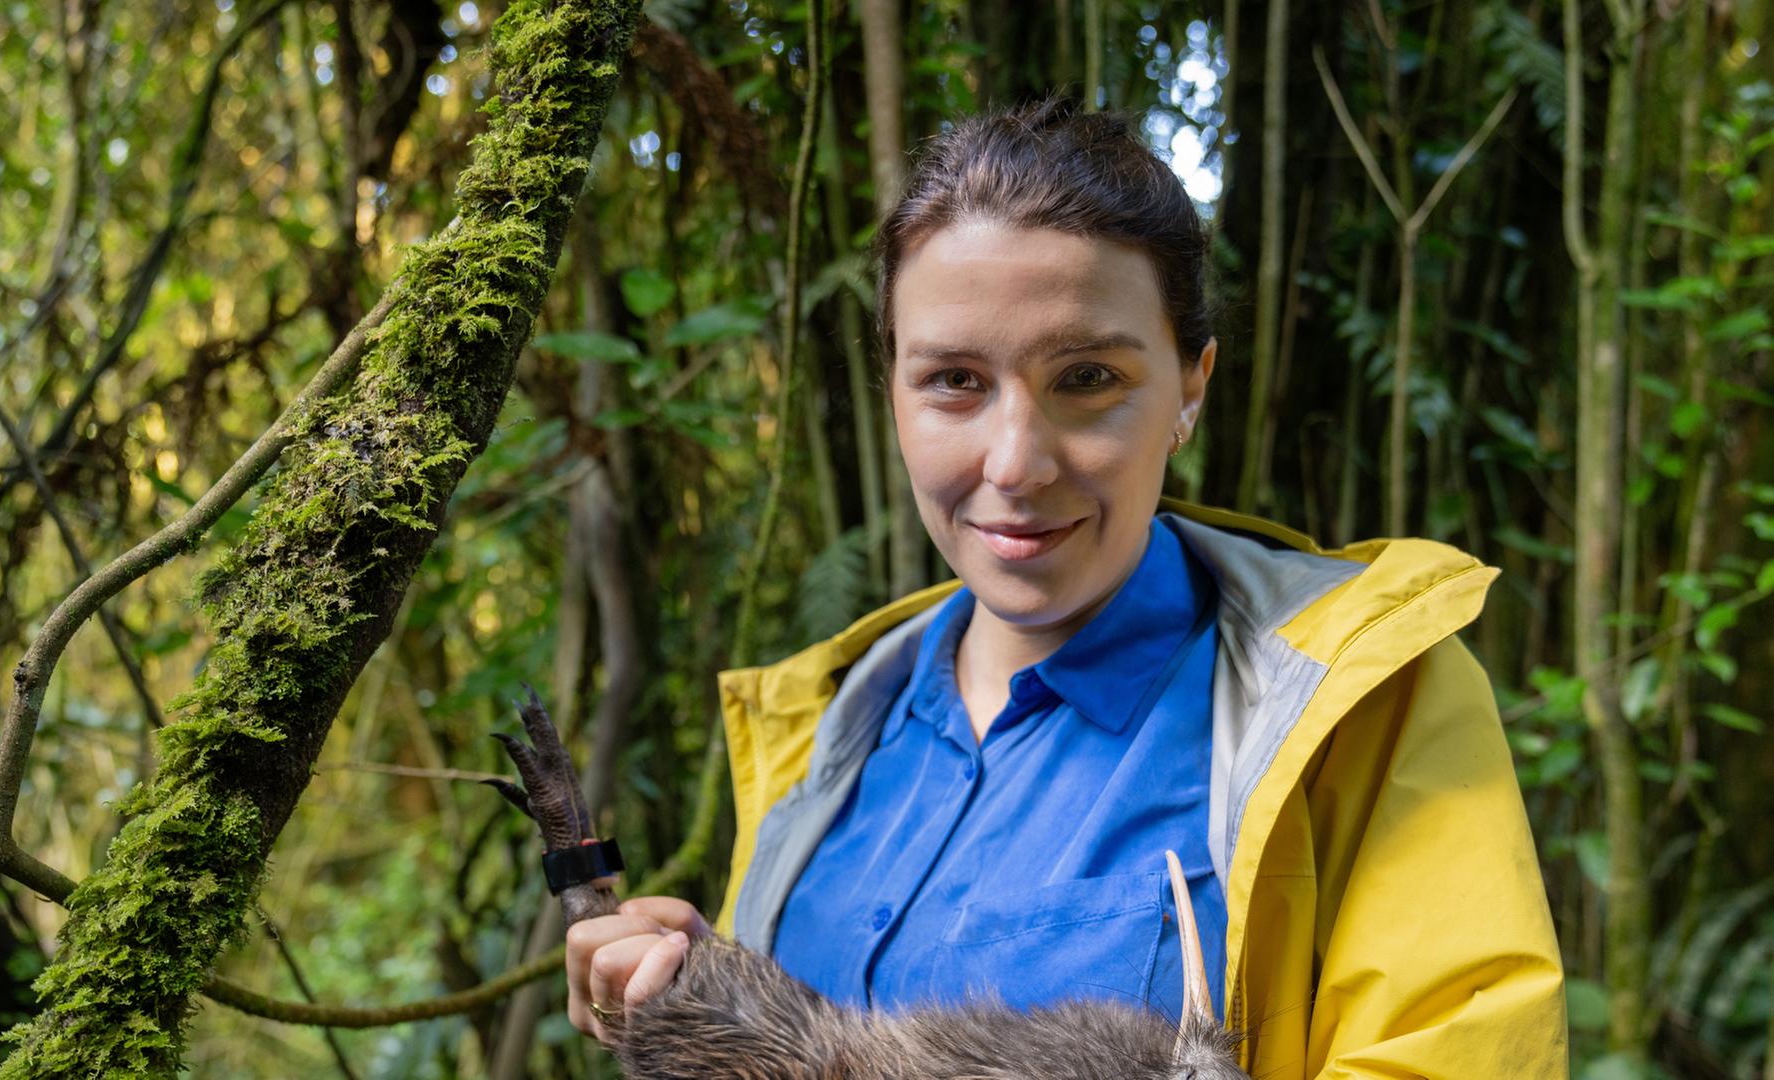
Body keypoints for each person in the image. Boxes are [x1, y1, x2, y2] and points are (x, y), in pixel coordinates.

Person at [565, 98, 1567, 1077]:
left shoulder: (1362, 700)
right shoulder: (825, 727)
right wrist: (700, 1005)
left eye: (1087, 379)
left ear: (1190, 387)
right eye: (955, 380)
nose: (1016, 463)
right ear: (894, 393)